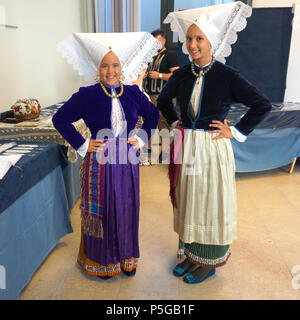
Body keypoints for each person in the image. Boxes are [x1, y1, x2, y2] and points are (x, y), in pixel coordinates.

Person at [157, 2, 272, 284]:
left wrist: (236, 131)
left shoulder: (227, 75)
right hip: (187, 146)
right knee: (188, 200)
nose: (193, 45)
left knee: (208, 202)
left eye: (199, 39)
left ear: (212, 41)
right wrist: (174, 123)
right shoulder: (182, 74)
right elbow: (162, 100)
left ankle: (207, 262)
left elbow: (261, 104)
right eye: (190, 38)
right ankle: (190, 254)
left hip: (211, 146)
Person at [53, 32, 160, 279]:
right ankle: (102, 261)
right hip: (99, 162)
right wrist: (82, 144)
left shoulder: (133, 93)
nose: (110, 71)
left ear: (122, 66)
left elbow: (152, 116)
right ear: (97, 67)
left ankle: (126, 258)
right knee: (103, 210)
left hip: (127, 161)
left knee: (126, 207)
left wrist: (141, 138)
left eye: (115, 65)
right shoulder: (87, 94)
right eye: (104, 65)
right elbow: (61, 119)